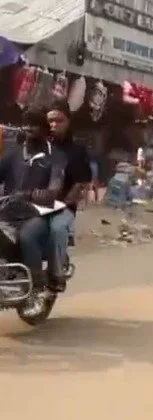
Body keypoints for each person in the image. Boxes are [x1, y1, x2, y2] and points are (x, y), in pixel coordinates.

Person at [0, 108, 66, 315]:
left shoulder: (55, 157)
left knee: (28, 237)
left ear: (44, 129)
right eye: (26, 124)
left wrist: (29, 194)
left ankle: (35, 291)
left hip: (37, 214)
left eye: (34, 124)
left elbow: (55, 189)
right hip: (9, 211)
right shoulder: (13, 154)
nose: (28, 128)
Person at [46, 99, 92, 291]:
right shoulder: (38, 147)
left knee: (57, 229)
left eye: (59, 120)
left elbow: (81, 183)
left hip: (62, 207)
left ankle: (56, 274)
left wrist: (64, 203)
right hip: (33, 204)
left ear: (68, 121)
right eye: (50, 121)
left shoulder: (76, 151)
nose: (54, 125)